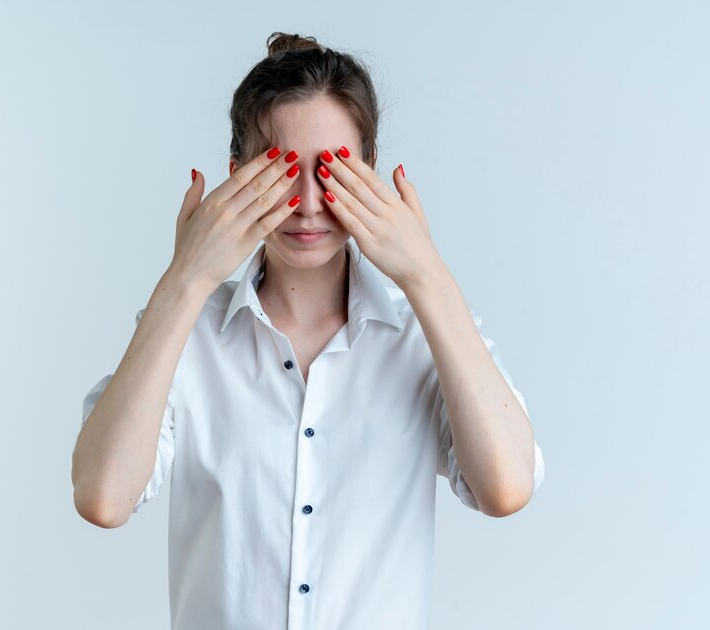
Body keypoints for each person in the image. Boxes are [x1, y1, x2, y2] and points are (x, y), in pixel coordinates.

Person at [71, 31, 545, 630]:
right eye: (281, 170)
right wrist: (186, 278)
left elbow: (506, 488)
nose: (309, 203)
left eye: (334, 170)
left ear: (369, 173)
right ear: (237, 177)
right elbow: (103, 497)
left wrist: (427, 275)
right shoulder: (186, 335)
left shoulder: (422, 335)